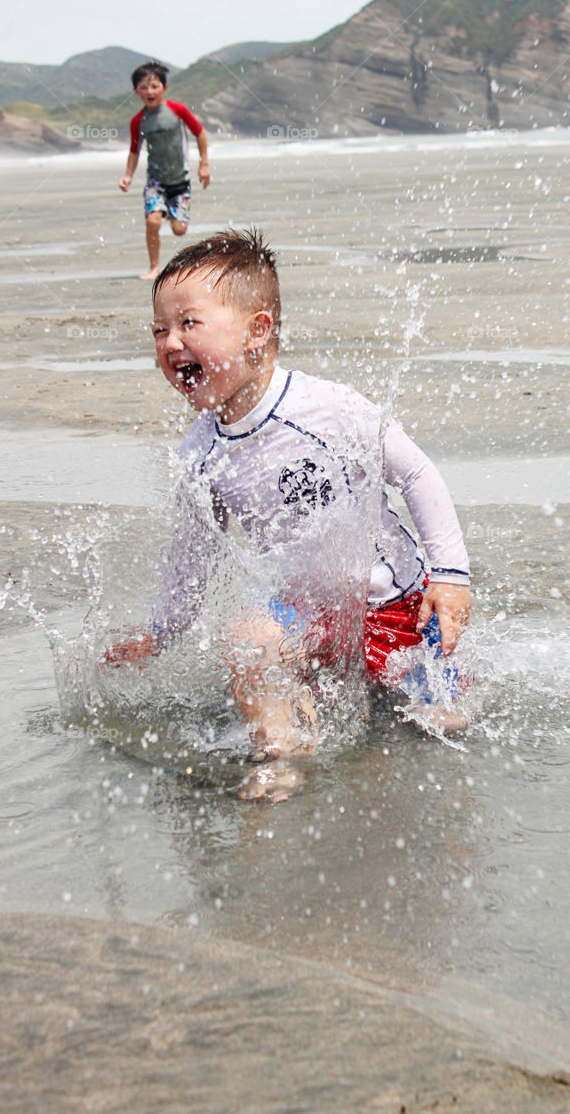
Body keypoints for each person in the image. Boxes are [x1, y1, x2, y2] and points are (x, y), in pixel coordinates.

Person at [104, 228, 473, 798]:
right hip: (304, 611)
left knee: (442, 725)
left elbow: (418, 474)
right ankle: (281, 755)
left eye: (189, 324)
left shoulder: (325, 408)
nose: (171, 343)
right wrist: (160, 633)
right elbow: (192, 554)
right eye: (159, 330)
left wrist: (450, 577)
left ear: (258, 332)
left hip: (388, 604)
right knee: (248, 638)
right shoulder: (200, 453)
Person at [118, 61, 210, 281]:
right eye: (143, 87)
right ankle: (154, 267)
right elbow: (134, 150)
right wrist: (128, 175)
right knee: (152, 221)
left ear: (164, 88)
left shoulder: (177, 110)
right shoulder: (138, 121)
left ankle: (169, 212)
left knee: (179, 230)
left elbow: (200, 133)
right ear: (135, 91)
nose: (150, 91)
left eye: (154, 86)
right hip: (156, 180)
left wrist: (204, 163)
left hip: (180, 179)